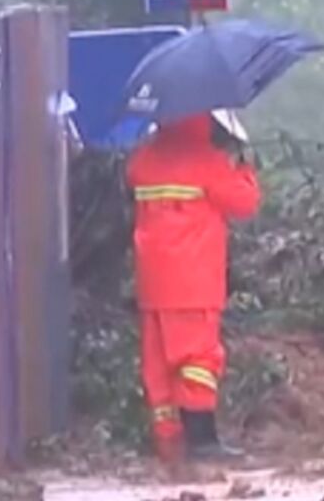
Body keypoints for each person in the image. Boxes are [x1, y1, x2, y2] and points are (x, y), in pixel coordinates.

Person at [126, 109, 260, 465]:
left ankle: (170, 447)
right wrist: (244, 165)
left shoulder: (143, 159)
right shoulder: (208, 161)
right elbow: (245, 203)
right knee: (198, 360)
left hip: (152, 285)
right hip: (194, 281)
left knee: (159, 368)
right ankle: (203, 442)